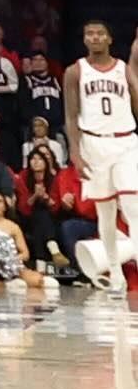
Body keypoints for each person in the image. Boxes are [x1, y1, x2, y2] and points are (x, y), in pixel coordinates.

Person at [67, 19, 133, 298]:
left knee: (133, 206)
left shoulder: (124, 69)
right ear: (84, 40)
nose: (94, 38)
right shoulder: (74, 71)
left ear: (109, 39)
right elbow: (70, 116)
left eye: (99, 33)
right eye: (89, 34)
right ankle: (116, 273)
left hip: (127, 141)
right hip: (93, 142)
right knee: (105, 213)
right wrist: (75, 152)